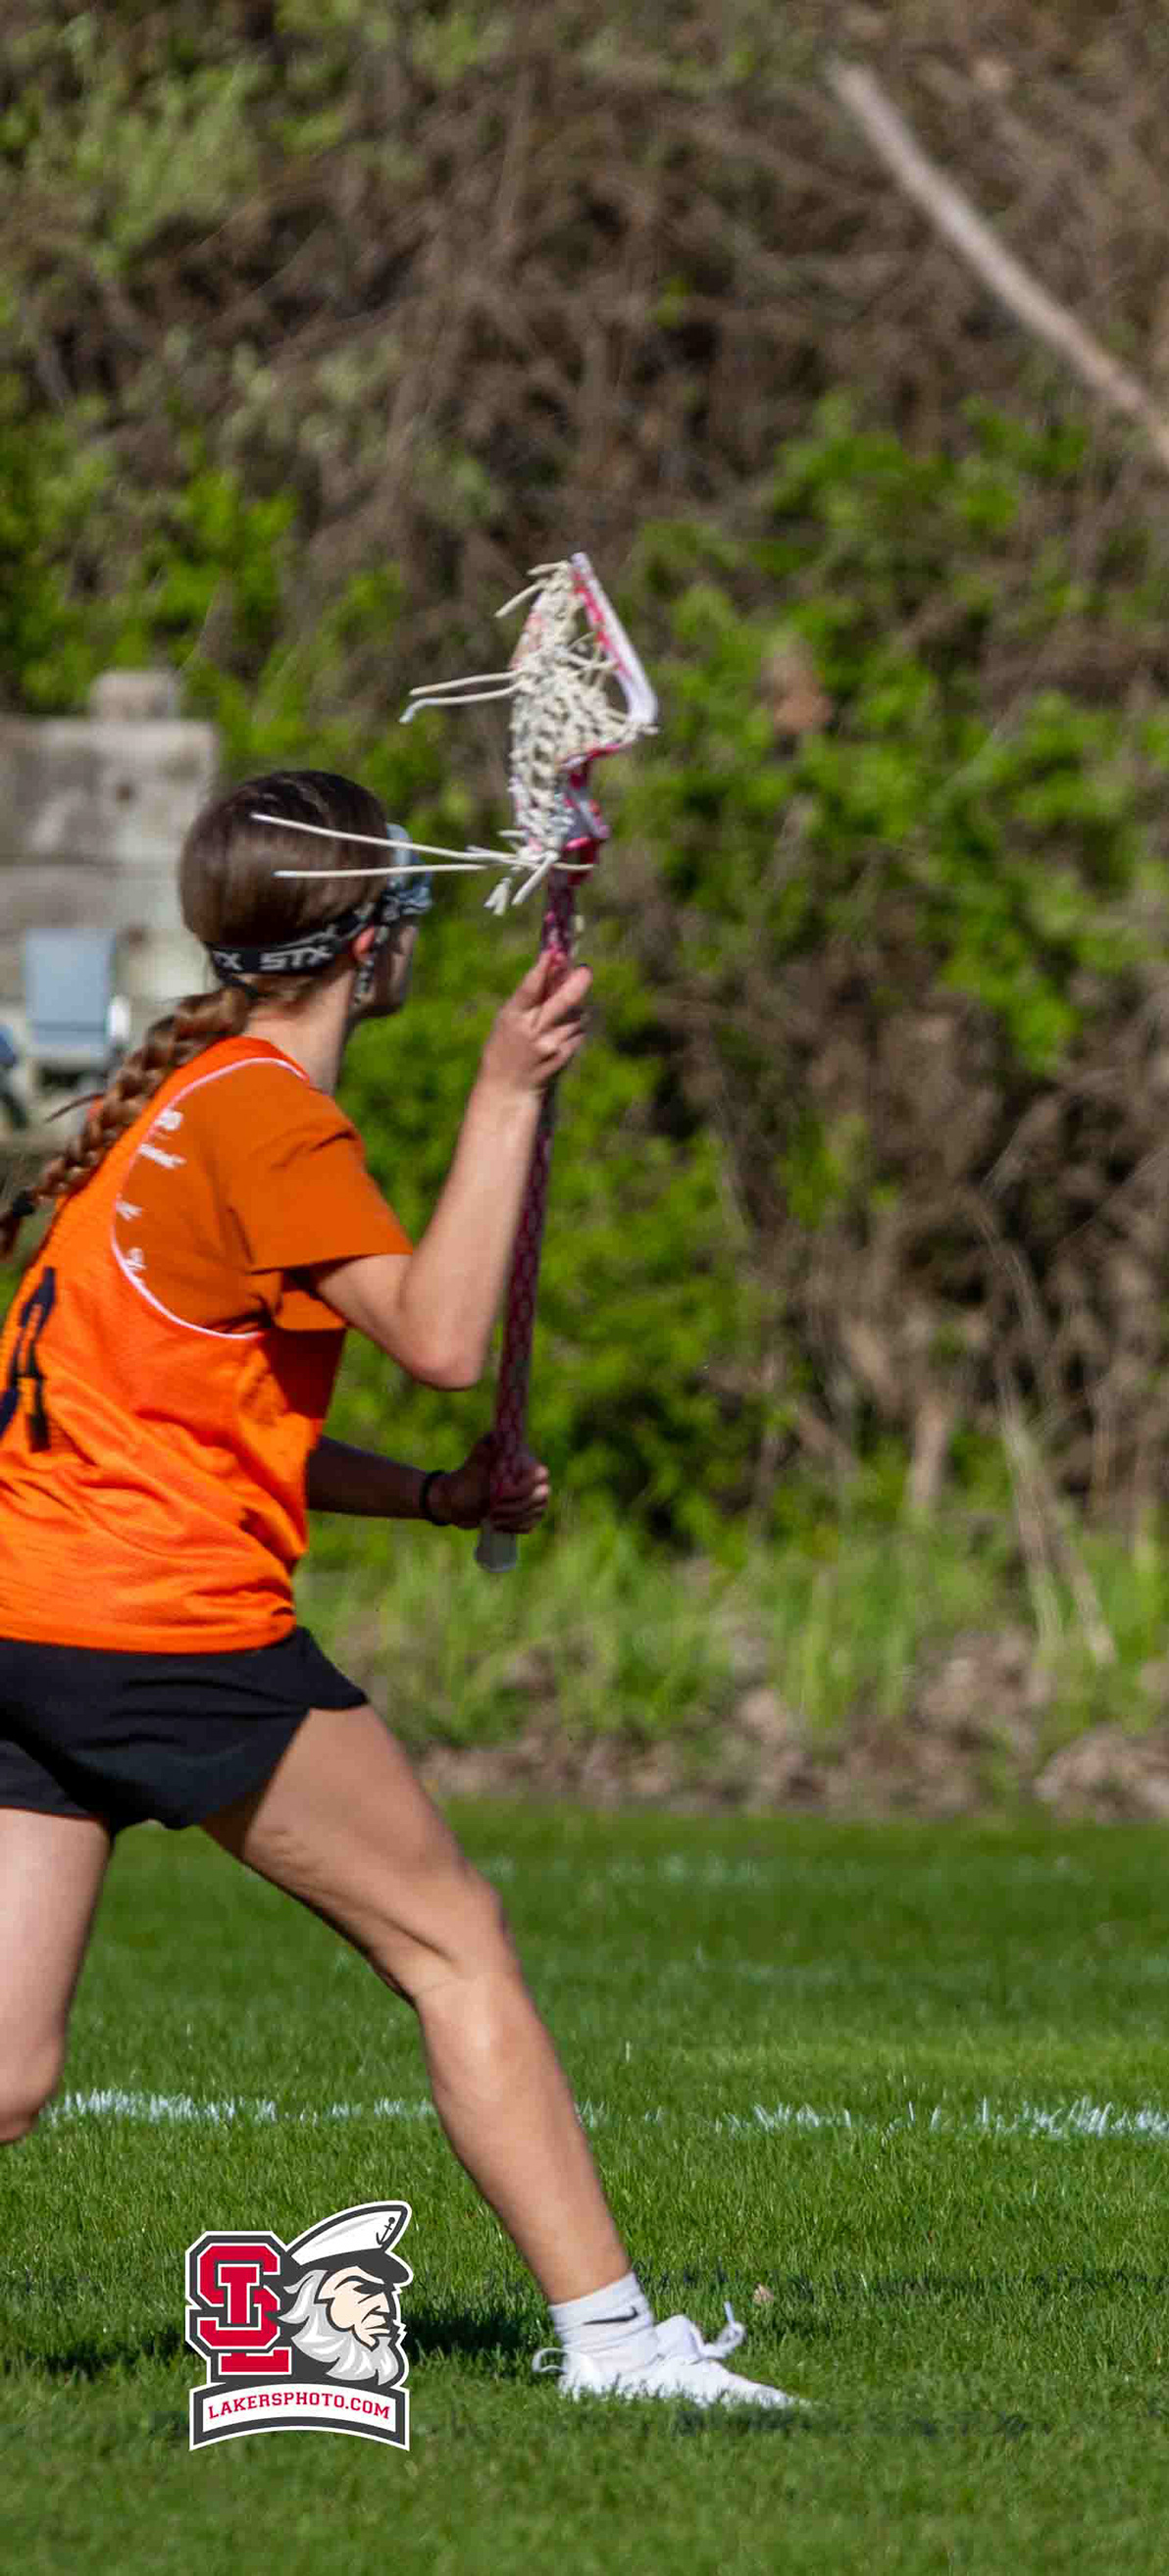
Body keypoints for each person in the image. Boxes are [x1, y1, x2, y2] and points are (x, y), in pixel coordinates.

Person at [0, 770, 791, 2410]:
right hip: (156, 1633)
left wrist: (429, 1498)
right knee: (455, 1941)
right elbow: (437, 1338)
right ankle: (616, 2347)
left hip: (28, 1619)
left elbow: (201, 1422)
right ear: (378, 942)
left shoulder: (176, 1102)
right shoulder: (267, 1119)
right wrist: (506, 1092)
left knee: (7, 2071)